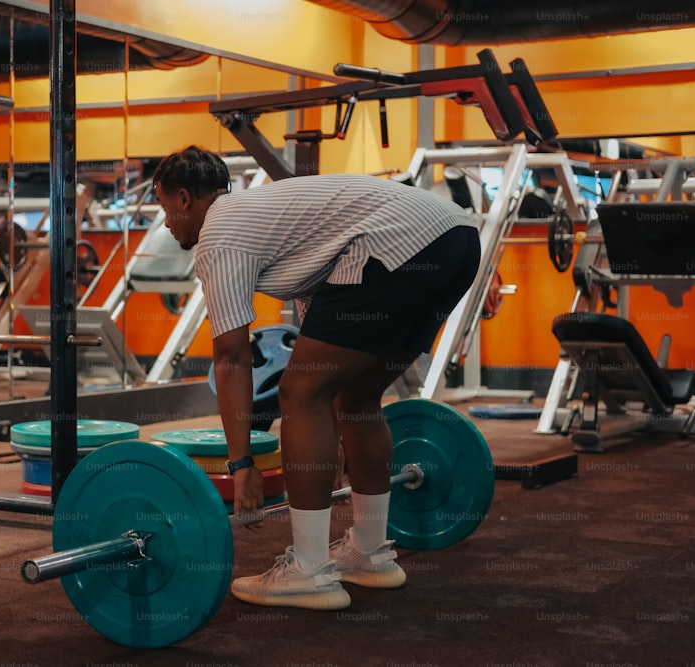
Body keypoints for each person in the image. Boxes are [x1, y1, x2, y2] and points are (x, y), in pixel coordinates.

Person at [152, 146, 481, 611]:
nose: (166, 222)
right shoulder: (274, 220)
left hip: (400, 242)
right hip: (457, 241)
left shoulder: (220, 232)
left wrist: (241, 463)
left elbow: (232, 357)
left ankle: (308, 571)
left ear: (184, 198)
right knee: (357, 396)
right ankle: (370, 553)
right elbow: (319, 334)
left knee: (298, 391)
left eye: (164, 207)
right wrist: (334, 436)